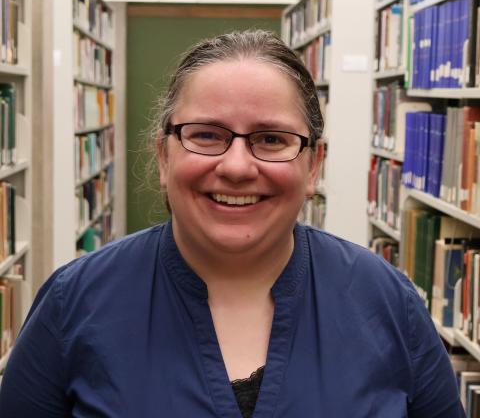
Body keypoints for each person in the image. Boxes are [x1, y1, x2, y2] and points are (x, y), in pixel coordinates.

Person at [0, 30, 465, 417]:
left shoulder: (387, 303)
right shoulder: (74, 303)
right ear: (163, 156)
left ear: (313, 166)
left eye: (271, 138)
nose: (238, 167)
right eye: (206, 135)